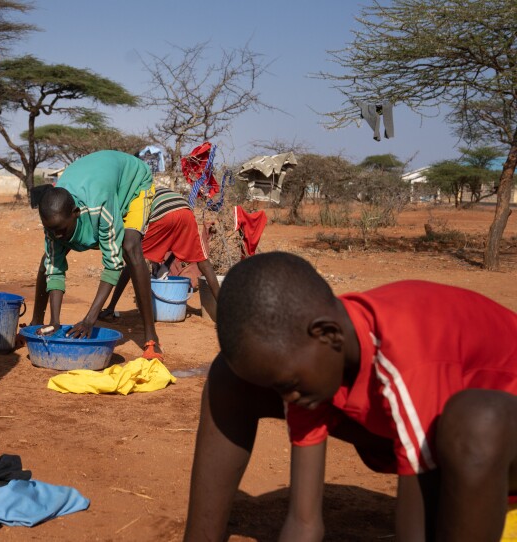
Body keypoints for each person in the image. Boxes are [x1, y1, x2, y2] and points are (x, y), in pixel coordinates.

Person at [186, 251, 517, 541]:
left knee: (477, 420)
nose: (288, 397)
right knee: (229, 374)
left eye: (289, 384)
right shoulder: (314, 358)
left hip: (494, 451)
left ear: (328, 334)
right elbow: (304, 523)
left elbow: (414, 531)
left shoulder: (405, 356)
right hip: (442, 442)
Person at [28, 150, 163, 360]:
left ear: (76, 213)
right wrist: (55, 322)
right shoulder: (54, 223)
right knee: (48, 260)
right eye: (51, 230)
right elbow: (54, 268)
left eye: (62, 230)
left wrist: (90, 319)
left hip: (133, 183)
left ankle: (151, 337)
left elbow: (113, 264)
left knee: (129, 245)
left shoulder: (99, 207)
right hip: (99, 180)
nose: (57, 235)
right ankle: (36, 322)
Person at [97, 187, 220, 320]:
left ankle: (110, 308)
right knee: (202, 260)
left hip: (162, 215)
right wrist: (165, 266)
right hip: (186, 212)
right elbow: (175, 245)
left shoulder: (134, 198)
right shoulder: (155, 190)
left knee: (132, 258)